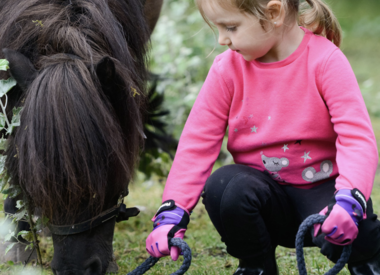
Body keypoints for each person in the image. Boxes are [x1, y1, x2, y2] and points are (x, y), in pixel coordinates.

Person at [145, 0, 380, 274]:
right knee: (224, 187)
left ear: (273, 13)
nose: (222, 40)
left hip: (325, 196)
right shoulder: (226, 70)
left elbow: (356, 138)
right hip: (265, 201)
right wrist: (171, 213)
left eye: (230, 27)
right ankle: (256, 265)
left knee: (357, 233)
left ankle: (369, 261)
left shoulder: (325, 60)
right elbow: (197, 144)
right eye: (218, 28)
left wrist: (349, 200)